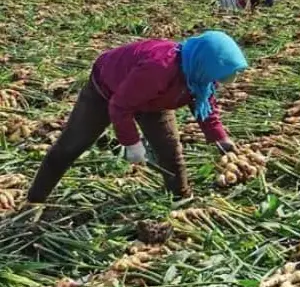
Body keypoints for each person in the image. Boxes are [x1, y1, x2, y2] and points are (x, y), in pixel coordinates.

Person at [25, 31, 248, 203]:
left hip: (155, 99)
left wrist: (219, 137)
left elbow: (205, 103)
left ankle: (181, 199)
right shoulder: (159, 68)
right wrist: (132, 143)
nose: (223, 81)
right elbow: (120, 106)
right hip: (107, 92)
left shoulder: (199, 74)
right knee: (71, 145)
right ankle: (35, 200)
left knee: (170, 151)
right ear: (205, 62)